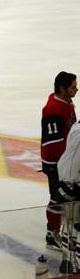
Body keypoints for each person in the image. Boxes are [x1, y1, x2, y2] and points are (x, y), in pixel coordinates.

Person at [42, 71, 79, 249]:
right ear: (62, 88)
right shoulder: (52, 110)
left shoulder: (66, 102)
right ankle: (52, 234)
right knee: (57, 197)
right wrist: (64, 163)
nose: (77, 89)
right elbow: (52, 145)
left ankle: (65, 230)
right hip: (56, 163)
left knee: (69, 196)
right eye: (73, 87)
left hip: (67, 161)